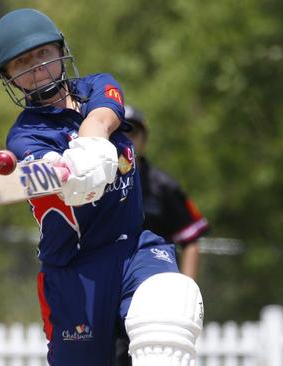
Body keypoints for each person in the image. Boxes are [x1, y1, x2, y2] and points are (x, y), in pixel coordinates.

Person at [0, 9, 203, 366]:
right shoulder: (26, 136)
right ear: (10, 78)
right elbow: (69, 190)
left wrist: (90, 147)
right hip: (75, 269)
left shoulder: (97, 86)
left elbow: (103, 117)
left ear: (60, 51)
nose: (36, 66)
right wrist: (72, 173)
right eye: (22, 62)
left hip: (133, 247)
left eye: (42, 53)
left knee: (168, 305)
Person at [116, 105, 210, 366]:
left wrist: (185, 291)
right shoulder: (96, 182)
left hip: (155, 294)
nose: (127, 139)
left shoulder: (163, 186)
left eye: (133, 133)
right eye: (120, 131)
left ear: (144, 140)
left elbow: (190, 239)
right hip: (109, 281)